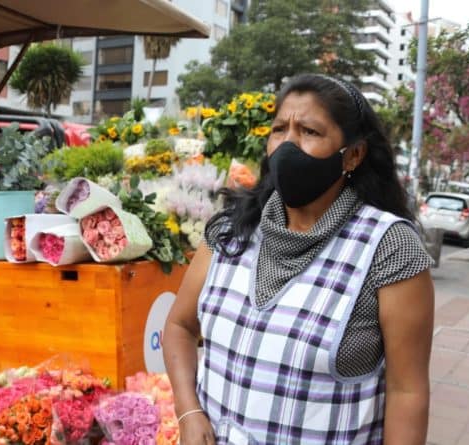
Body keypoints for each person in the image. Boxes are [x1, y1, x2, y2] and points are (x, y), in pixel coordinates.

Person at [163, 74, 435, 445]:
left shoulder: (388, 248)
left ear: (353, 155)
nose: (288, 144)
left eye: (309, 131)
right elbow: (179, 327)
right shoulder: (230, 232)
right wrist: (188, 411)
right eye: (279, 129)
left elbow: (408, 392)